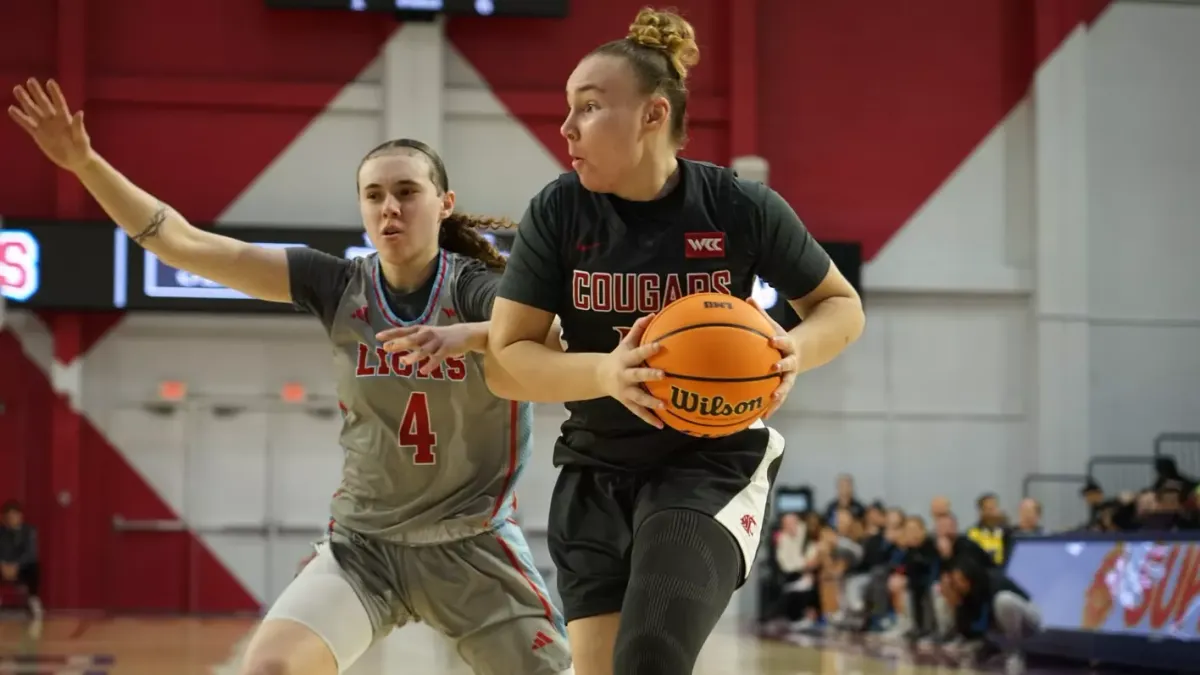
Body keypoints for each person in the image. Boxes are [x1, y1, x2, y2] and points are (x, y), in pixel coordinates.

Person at [9, 80, 571, 675]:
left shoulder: (477, 288)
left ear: (445, 203)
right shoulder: (335, 285)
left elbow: (557, 334)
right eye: (374, 194)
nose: (391, 208)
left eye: (408, 192)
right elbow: (182, 244)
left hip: (473, 545)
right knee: (272, 667)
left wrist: (472, 334)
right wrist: (85, 163)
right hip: (367, 548)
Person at [484, 8, 866, 673]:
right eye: (568, 108)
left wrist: (796, 349)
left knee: (651, 655)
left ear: (652, 115)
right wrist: (607, 374)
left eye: (591, 107)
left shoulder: (737, 207)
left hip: (708, 463)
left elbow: (841, 305)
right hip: (596, 470)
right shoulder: (558, 210)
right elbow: (506, 362)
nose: (568, 127)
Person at [0, 500, 42, 622]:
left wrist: (16, 565)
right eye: (8, 517)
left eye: (14, 515)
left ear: (20, 516)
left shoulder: (29, 531)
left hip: (21, 567)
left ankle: (33, 600)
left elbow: (31, 553)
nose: (11, 519)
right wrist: (2, 565)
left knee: (34, 567)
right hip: (3, 566)